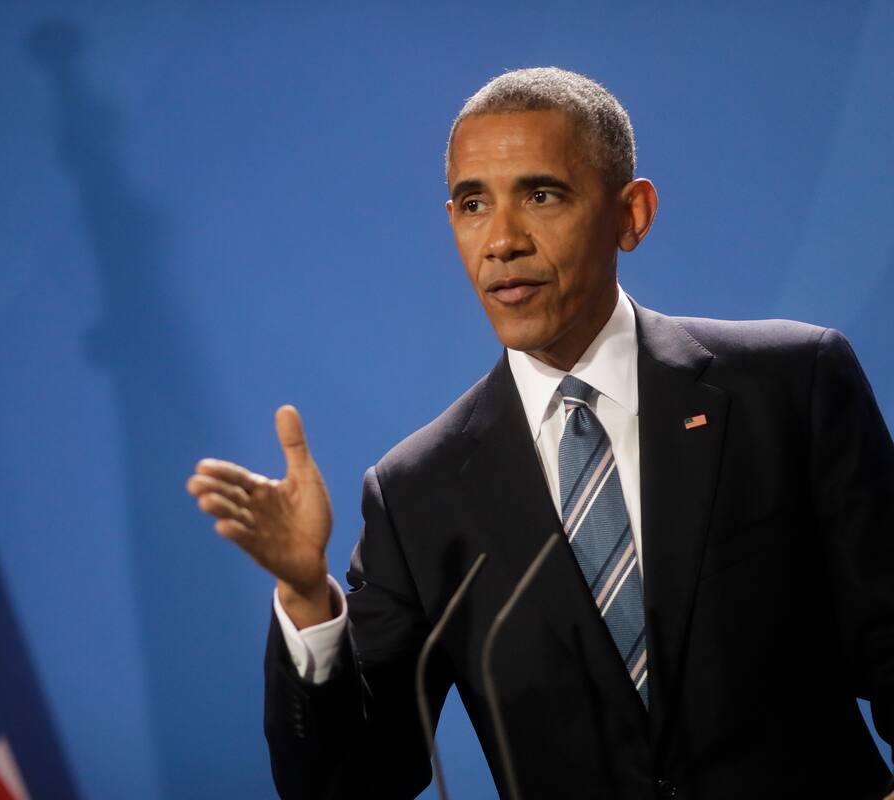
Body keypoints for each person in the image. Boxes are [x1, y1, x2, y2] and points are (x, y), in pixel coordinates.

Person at [187, 67, 894, 799]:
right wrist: (307, 597)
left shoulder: (788, 386)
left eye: (542, 194)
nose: (501, 241)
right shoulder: (417, 494)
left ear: (632, 215)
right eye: (472, 204)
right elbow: (350, 783)